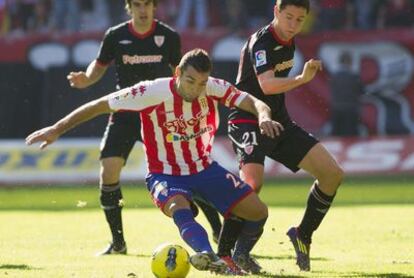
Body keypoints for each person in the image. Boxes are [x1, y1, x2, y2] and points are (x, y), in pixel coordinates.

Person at [26, 48, 284, 275]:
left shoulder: (212, 86)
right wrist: (57, 129)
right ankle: (210, 256)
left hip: (204, 168)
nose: (195, 89)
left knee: (258, 212)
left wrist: (263, 116)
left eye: (201, 83)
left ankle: (235, 256)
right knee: (178, 207)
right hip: (165, 174)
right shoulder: (152, 91)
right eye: (190, 81)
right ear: (178, 73)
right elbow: (100, 104)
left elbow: (251, 100)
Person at [67, 0, 222, 256]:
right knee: (108, 172)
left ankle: (217, 230)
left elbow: (182, 76)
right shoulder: (115, 36)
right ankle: (118, 243)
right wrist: (86, 78)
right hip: (127, 113)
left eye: (147, 4)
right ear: (129, 7)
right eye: (137, 4)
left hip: (162, 115)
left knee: (188, 169)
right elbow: (99, 65)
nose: (142, 10)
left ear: (154, 7)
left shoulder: (168, 36)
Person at [217, 0, 344, 272]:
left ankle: (303, 235)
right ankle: (228, 254)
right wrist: (301, 79)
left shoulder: (288, 40)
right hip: (246, 118)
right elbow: (266, 84)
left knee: (332, 174)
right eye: (288, 17)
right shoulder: (262, 42)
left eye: (300, 20)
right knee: (252, 184)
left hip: (277, 122)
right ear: (276, 12)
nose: (293, 25)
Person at [329, 51, 364, 136]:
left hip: (337, 108)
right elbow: (361, 91)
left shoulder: (334, 76)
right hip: (351, 110)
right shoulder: (354, 76)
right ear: (348, 61)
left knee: (337, 135)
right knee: (350, 136)